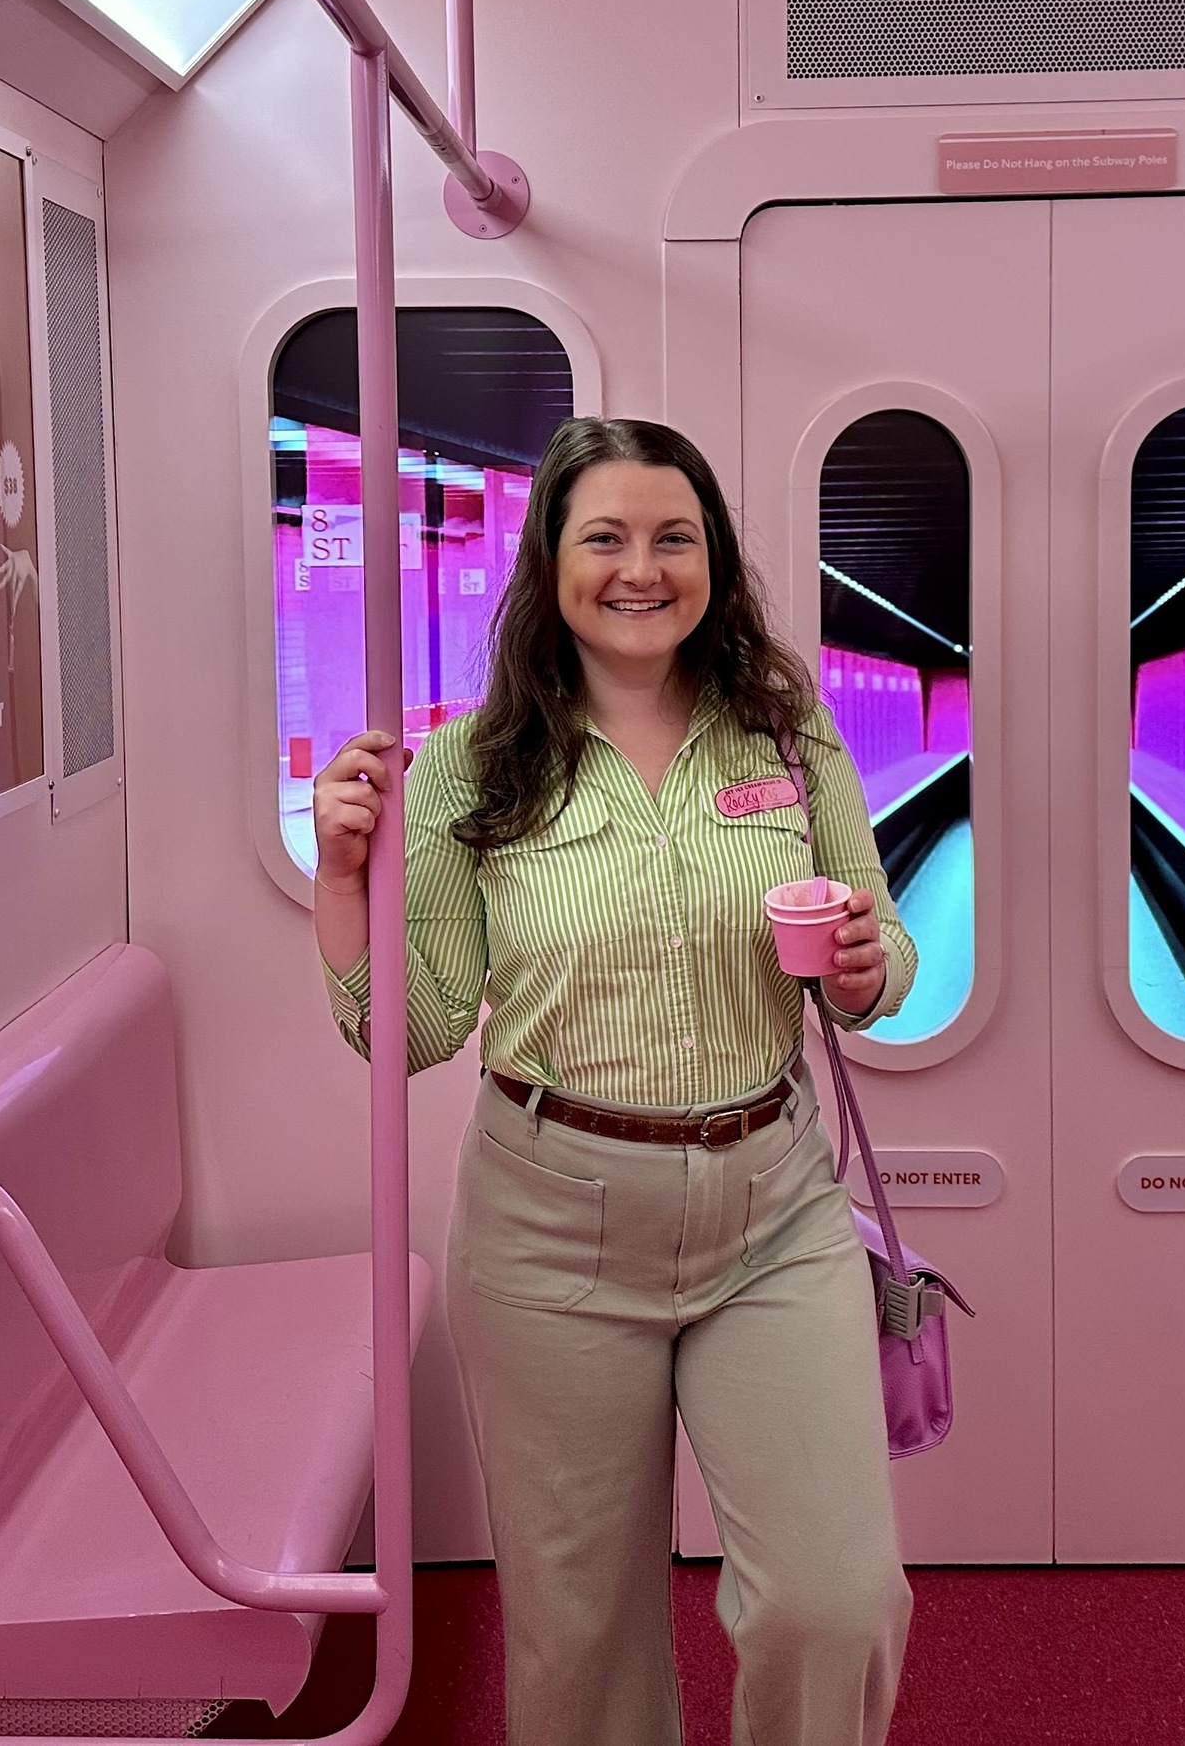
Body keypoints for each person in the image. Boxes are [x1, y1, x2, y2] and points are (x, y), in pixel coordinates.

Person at [313, 416, 917, 1746]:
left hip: (774, 1208)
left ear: (712, 561)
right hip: (548, 1226)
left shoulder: (784, 728)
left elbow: (879, 957)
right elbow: (411, 1032)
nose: (639, 567)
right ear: (552, 562)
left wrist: (870, 961)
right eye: (605, 537)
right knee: (581, 1636)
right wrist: (340, 884)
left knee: (837, 1596)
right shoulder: (472, 766)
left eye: (671, 537)